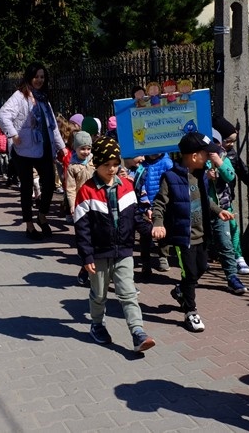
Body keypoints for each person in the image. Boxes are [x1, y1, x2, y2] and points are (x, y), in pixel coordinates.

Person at [74, 135, 156, 353]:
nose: (111, 169)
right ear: (96, 164)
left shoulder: (127, 186)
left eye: (115, 164)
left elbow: (136, 217)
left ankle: (138, 332)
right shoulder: (87, 191)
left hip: (124, 251)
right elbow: (82, 228)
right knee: (99, 294)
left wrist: (151, 230)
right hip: (99, 253)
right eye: (106, 165)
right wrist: (86, 256)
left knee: (128, 293)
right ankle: (97, 324)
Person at [151, 132, 237, 333]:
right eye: (206, 154)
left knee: (201, 267)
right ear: (194, 156)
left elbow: (206, 200)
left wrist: (218, 210)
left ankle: (181, 290)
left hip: (202, 234)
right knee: (189, 273)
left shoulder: (201, 176)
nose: (209, 157)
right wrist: (158, 223)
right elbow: (160, 203)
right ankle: (190, 311)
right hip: (184, 237)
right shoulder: (170, 177)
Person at [0, 62, 68, 240]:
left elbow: (52, 126)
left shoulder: (43, 98)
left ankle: (42, 215)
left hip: (43, 147)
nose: (39, 80)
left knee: (50, 183)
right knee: (27, 188)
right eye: (36, 76)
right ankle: (29, 225)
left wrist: (61, 147)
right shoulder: (20, 96)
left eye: (42, 77)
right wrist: (13, 134)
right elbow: (3, 115)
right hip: (23, 150)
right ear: (29, 77)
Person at [213, 116, 249, 274]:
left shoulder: (231, 154)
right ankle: (214, 254)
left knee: (233, 227)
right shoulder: (208, 154)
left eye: (233, 141)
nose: (231, 144)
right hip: (210, 200)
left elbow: (244, 172)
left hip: (226, 199)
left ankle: (238, 257)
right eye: (228, 141)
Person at [65, 130, 96, 286]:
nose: (86, 152)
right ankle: (85, 268)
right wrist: (72, 205)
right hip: (81, 205)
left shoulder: (95, 161)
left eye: (88, 148)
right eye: (82, 148)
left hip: (96, 203)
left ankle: (98, 270)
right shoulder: (72, 167)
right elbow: (70, 188)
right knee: (84, 239)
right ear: (75, 148)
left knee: (97, 238)